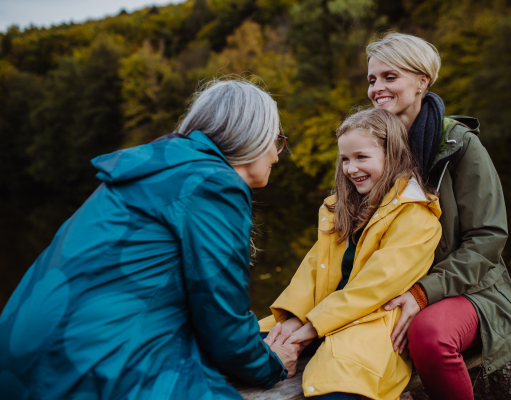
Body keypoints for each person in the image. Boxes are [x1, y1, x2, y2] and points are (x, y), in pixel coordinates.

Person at [0, 79, 301, 400]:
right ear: (251, 136)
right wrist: (272, 364)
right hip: (85, 370)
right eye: (276, 140)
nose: (276, 156)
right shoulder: (214, 183)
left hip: (22, 359)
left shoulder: (156, 168)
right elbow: (222, 322)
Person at [365, 32, 511, 399]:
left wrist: (423, 293)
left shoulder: (460, 145)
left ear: (423, 81)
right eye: (372, 79)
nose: (377, 88)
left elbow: (487, 239)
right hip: (389, 285)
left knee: (428, 335)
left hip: (473, 290)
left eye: (390, 77)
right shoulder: (367, 146)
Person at [259, 108, 443, 399]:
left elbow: (373, 289)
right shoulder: (339, 209)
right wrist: (292, 323)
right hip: (318, 319)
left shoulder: (416, 217)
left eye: (361, 157)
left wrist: (309, 329)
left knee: (335, 390)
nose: (351, 169)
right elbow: (311, 272)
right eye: (345, 159)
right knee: (240, 349)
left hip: (369, 329)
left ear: (392, 154)